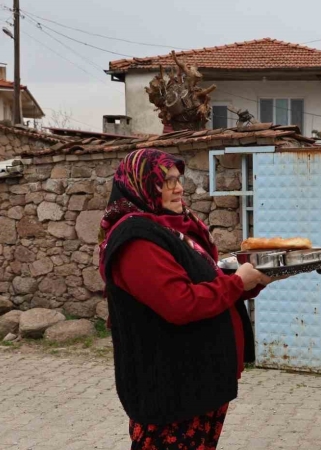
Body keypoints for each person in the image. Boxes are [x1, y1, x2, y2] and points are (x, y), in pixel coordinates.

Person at [98, 148, 273, 450]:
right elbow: (180, 303)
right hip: (170, 390)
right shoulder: (136, 241)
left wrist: (249, 283)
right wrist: (235, 284)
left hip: (198, 383)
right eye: (165, 182)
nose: (178, 188)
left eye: (178, 180)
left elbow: (208, 282)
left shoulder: (171, 229)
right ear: (139, 184)